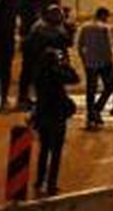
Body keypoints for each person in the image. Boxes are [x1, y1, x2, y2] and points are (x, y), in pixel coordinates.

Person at [30, 47, 79, 197]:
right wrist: (65, 64)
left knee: (44, 150)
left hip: (43, 115)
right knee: (56, 152)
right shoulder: (56, 73)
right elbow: (75, 78)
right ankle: (51, 183)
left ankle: (39, 180)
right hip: (56, 116)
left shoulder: (38, 74)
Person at [77, 7, 113, 129]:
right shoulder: (105, 28)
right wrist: (112, 63)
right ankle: (97, 108)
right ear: (104, 16)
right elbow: (109, 48)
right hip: (104, 62)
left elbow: (79, 45)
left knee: (91, 89)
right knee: (110, 87)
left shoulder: (84, 27)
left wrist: (84, 59)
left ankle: (91, 113)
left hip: (90, 62)